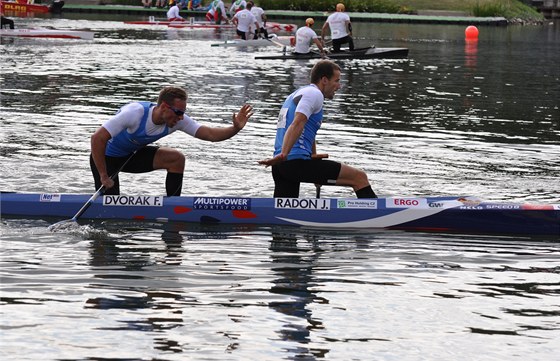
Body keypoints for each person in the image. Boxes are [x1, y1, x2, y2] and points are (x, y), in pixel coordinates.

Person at [90, 86, 253, 196]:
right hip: (105, 160)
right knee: (111, 206)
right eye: (178, 112)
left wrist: (235, 128)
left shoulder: (178, 120)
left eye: (183, 113)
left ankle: (173, 205)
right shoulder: (135, 113)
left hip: (131, 156)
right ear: (164, 107)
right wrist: (103, 175)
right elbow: (97, 139)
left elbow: (210, 135)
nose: (181, 117)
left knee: (176, 159)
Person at [259, 60, 377, 199]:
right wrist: (284, 154)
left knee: (283, 212)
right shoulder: (315, 94)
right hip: (293, 162)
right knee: (359, 177)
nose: (339, 86)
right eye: (337, 80)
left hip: (281, 167)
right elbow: (297, 124)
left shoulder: (297, 93)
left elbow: (307, 130)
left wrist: (313, 158)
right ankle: (381, 218)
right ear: (324, 80)